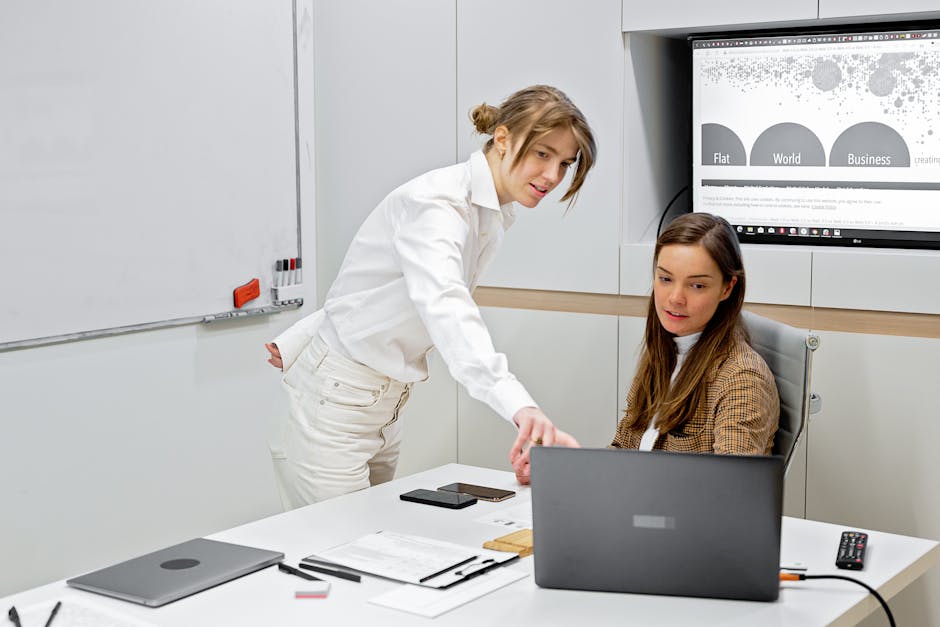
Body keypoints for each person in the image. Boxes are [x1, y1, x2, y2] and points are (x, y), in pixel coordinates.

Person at [266, 85, 597, 507]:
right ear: (502, 139)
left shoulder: (490, 210)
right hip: (337, 402)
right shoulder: (440, 205)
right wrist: (522, 409)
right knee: (340, 550)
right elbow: (445, 306)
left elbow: (386, 286)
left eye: (565, 163)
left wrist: (301, 337)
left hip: (380, 403)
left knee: (373, 544)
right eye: (543, 154)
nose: (552, 176)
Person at [514, 212, 779, 483]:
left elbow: (731, 491)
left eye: (697, 285)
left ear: (727, 288)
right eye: (665, 279)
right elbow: (623, 453)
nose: (675, 298)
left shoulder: (741, 378)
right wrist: (556, 472)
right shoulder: (666, 352)